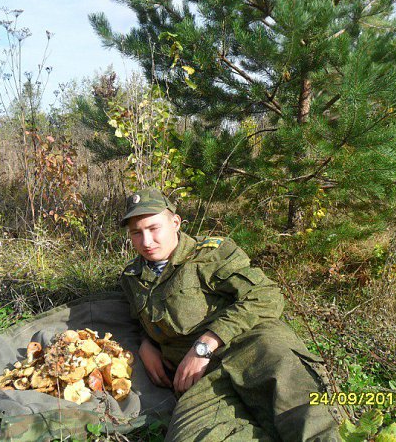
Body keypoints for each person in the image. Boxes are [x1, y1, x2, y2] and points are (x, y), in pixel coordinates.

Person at [118, 188, 344, 441]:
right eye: (136, 233)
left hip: (253, 346)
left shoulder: (211, 253)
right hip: (203, 378)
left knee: (308, 415)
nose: (146, 241)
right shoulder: (132, 277)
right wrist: (146, 344)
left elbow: (265, 294)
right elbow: (139, 319)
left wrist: (205, 344)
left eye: (154, 228)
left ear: (175, 222)